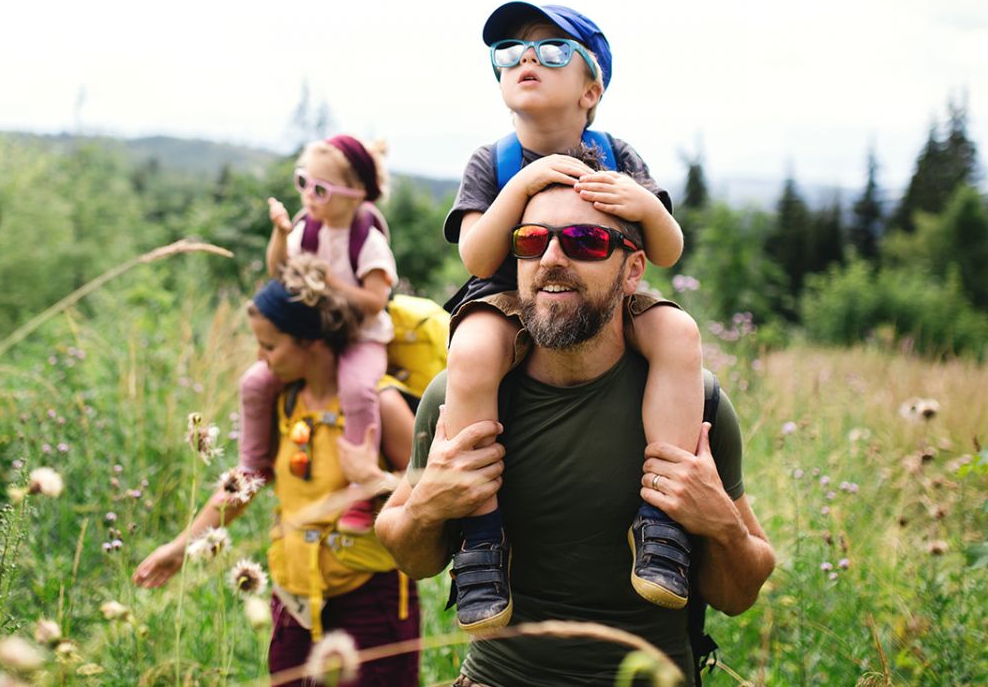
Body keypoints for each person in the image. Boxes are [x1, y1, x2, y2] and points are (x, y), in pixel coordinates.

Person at [376, 184, 775, 685]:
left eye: (585, 241)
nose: (551, 258)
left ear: (633, 271)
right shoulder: (458, 395)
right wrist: (426, 507)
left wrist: (721, 525)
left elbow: (738, 596)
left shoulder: (697, 405)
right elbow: (410, 557)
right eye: (531, 240)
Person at [441, 1, 705, 630]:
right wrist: (519, 193)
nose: (526, 58)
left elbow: (665, 252)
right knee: (473, 352)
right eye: (510, 52)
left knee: (677, 331)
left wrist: (642, 201)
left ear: (592, 90)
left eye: (552, 49)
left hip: (599, 289)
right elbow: (478, 255)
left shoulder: (616, 154)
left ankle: (663, 519)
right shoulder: (493, 161)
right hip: (508, 294)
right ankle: (481, 537)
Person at [134, 256, 420, 686]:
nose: (260, 358)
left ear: (313, 342)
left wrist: (375, 479)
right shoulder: (285, 401)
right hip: (293, 597)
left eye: (269, 345)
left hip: (372, 601)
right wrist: (183, 546)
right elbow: (246, 481)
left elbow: (438, 488)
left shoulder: (380, 404)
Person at [240, 134, 398, 536]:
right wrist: (279, 234)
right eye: (302, 183)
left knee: (358, 389)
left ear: (357, 194)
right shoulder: (307, 228)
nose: (309, 196)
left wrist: (334, 284)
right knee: (257, 381)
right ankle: (253, 467)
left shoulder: (367, 239)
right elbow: (280, 270)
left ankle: (362, 487)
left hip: (362, 337)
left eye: (321, 190)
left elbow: (376, 301)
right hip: (318, 336)